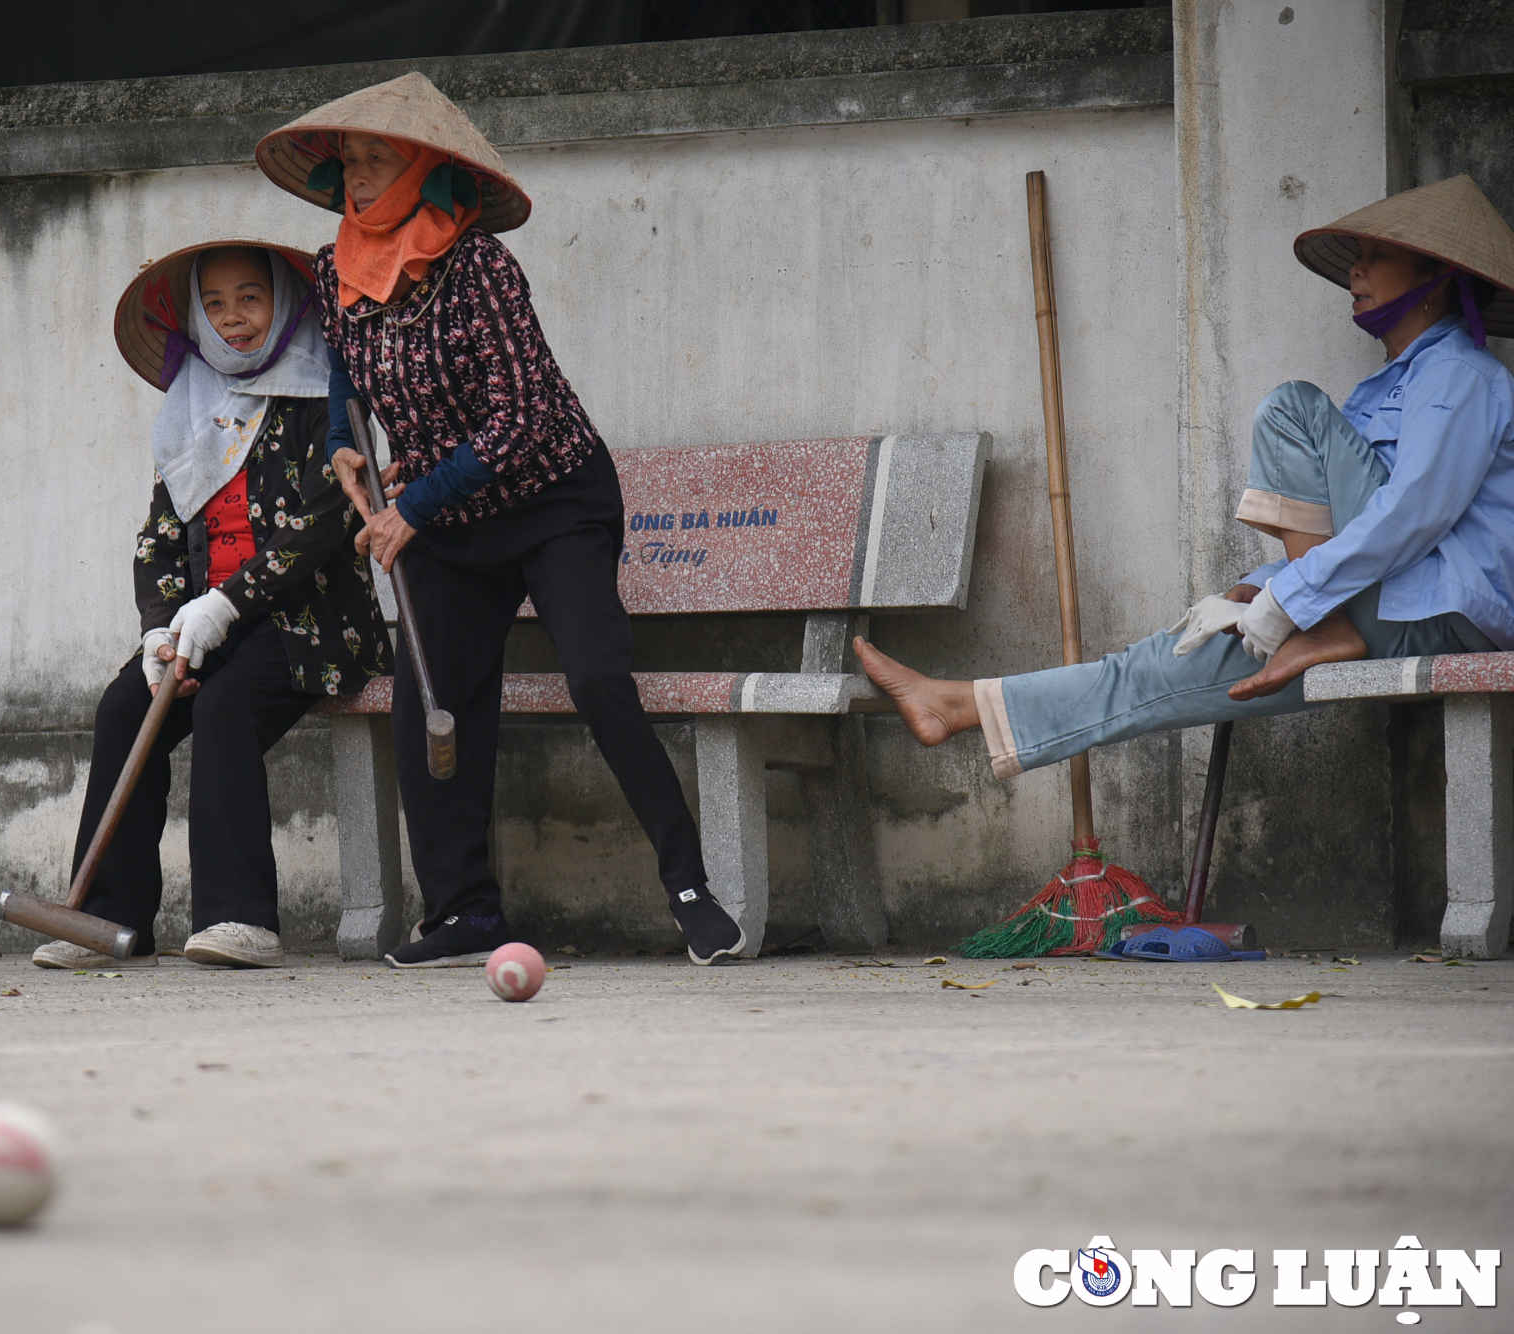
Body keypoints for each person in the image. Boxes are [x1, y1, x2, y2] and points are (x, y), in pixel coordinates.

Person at [254, 72, 747, 967]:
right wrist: (341, 440)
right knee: (431, 696)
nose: (360, 176)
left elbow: (521, 418)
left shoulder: (479, 265)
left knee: (597, 677)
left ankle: (690, 887)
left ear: (422, 169)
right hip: (450, 519)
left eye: (380, 158)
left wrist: (411, 504)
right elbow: (344, 371)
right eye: (351, 160)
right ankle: (464, 910)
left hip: (553, 502)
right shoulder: (335, 266)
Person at [853, 175, 1514, 781]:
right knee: (1169, 654)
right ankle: (966, 706)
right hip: (1385, 600)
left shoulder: (1462, 375)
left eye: (1377, 257)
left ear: (1440, 277)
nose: (1358, 271)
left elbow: (1411, 514)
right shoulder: (1389, 385)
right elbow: (1356, 525)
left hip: (1440, 615)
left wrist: (1291, 601)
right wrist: (1263, 587)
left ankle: (962, 705)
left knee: (1291, 407)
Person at [31, 241, 392, 970]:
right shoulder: (190, 407)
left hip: (314, 624)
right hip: (204, 623)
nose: (234, 319)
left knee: (226, 704)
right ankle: (107, 918)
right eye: (216, 304)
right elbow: (160, 537)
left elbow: (325, 526)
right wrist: (161, 627)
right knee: (123, 707)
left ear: (284, 304)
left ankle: (240, 919)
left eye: (250, 299)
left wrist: (226, 604)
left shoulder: (327, 399)